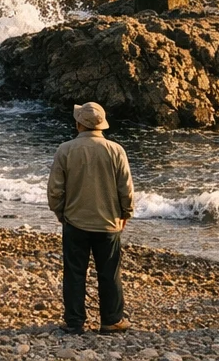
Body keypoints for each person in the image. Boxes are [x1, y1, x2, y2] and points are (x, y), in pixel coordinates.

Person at [47, 101, 133, 334]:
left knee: (74, 272)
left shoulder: (65, 150)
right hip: (109, 222)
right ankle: (111, 320)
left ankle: (74, 322)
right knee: (109, 272)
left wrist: (59, 212)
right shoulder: (116, 150)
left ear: (78, 124)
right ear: (101, 125)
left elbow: (55, 190)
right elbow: (126, 189)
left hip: (75, 221)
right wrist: (126, 213)